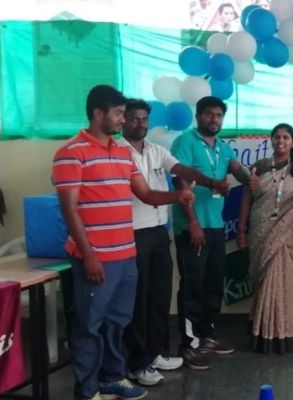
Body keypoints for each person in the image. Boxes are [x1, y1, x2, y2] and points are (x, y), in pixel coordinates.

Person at [52, 85, 196, 400]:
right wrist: (89, 255)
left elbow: (145, 194)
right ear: (98, 113)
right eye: (118, 113)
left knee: (117, 322)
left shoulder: (122, 153)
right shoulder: (71, 153)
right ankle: (87, 390)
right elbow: (69, 209)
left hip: (126, 255)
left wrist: (178, 196)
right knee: (90, 324)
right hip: (95, 257)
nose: (122, 119)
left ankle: (112, 378)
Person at [118, 99, 230, 385]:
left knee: (159, 296)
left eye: (144, 119)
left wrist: (209, 182)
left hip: (158, 231)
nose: (140, 124)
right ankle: (138, 362)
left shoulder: (156, 150)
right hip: (132, 233)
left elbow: (181, 170)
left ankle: (157, 353)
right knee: (139, 300)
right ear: (123, 120)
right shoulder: (118, 152)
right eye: (134, 119)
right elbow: (145, 194)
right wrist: (179, 197)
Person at [171, 96, 252, 370]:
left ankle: (207, 336)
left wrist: (256, 177)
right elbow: (180, 182)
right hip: (192, 227)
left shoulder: (223, 148)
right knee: (192, 286)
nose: (214, 119)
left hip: (216, 226)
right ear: (198, 116)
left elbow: (239, 171)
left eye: (218, 115)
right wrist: (192, 222)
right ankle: (188, 345)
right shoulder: (185, 142)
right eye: (209, 114)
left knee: (214, 284)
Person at [236, 123, 293, 354]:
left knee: (290, 284)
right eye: (277, 137)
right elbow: (246, 199)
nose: (281, 141)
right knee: (265, 281)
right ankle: (263, 333)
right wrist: (241, 231)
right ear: (271, 140)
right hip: (262, 232)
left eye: (286, 137)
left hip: (292, 236)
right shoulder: (259, 167)